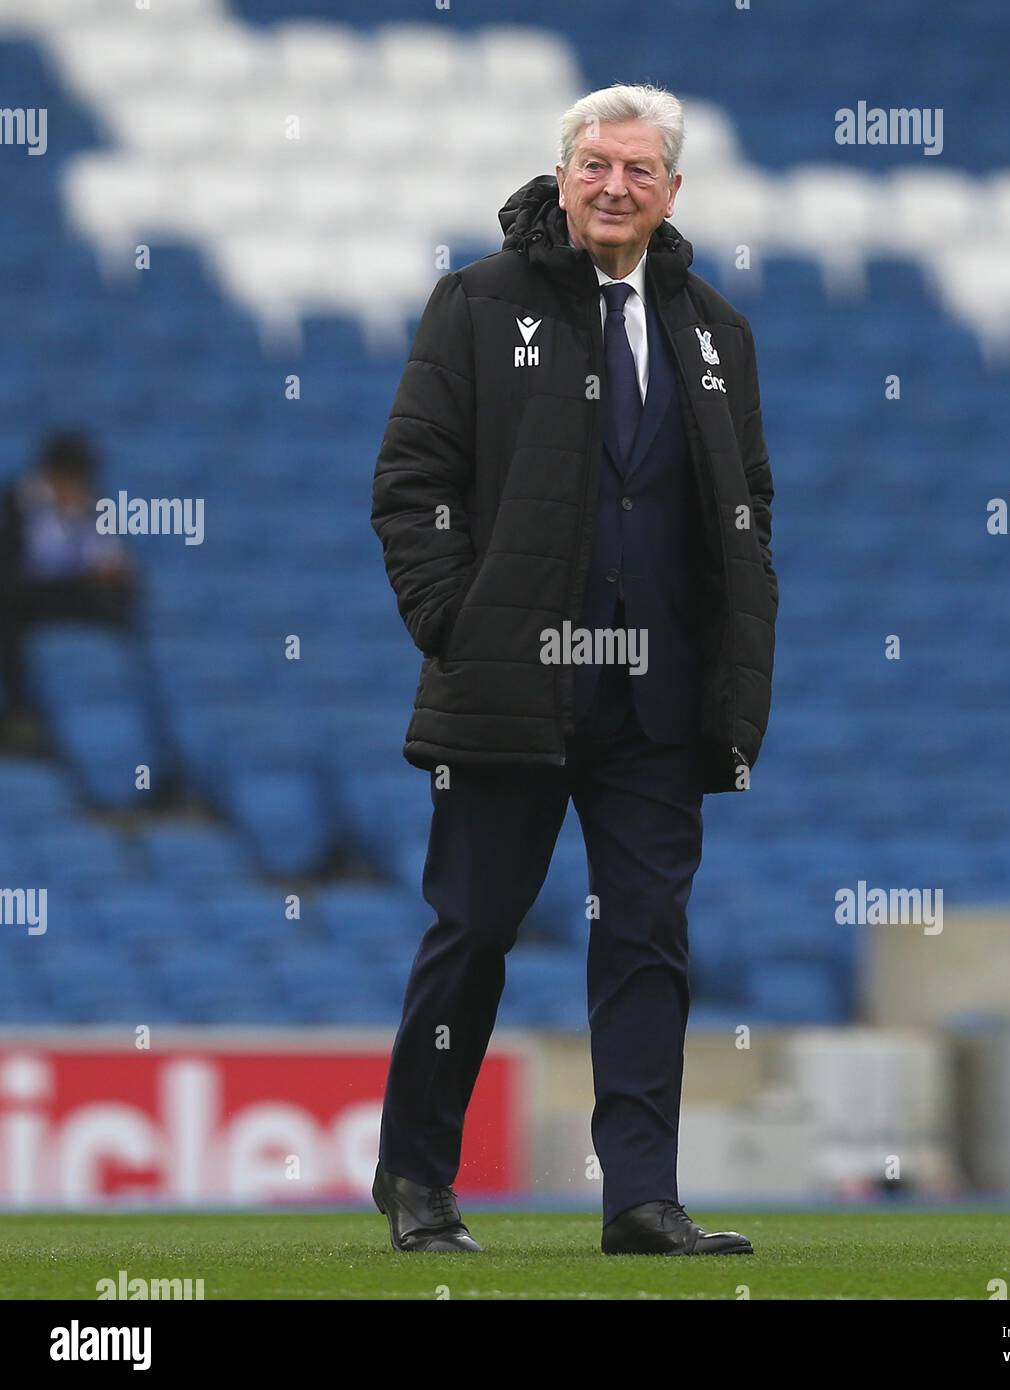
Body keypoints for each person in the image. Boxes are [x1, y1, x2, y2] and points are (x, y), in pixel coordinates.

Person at [370, 84, 777, 1255]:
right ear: (563, 176)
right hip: (512, 687)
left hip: (656, 694)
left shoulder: (715, 331)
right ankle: (419, 1183)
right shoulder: (478, 303)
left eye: (638, 170)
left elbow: (749, 505)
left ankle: (640, 1199)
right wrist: (459, 621)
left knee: (648, 941)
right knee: (472, 932)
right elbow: (411, 482)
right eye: (595, 164)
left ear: (672, 191)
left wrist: (733, 649)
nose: (614, 185)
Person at [0, 430, 136, 732]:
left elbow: (116, 564)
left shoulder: (94, 505)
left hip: (79, 598)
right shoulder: (18, 504)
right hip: (27, 600)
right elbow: (12, 572)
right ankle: (20, 711)